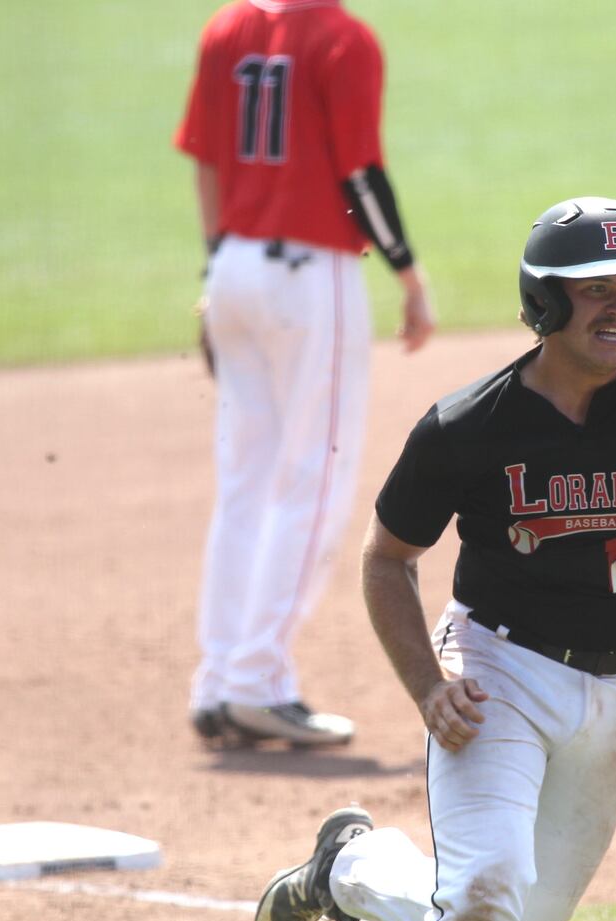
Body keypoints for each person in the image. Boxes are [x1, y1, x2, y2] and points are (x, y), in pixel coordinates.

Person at [250, 196, 616, 921]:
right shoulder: (469, 427)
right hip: (498, 677)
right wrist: (429, 685)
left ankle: (350, 869)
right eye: (597, 289)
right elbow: (387, 558)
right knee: (483, 896)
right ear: (546, 301)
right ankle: (374, 878)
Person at [173, 0, 436, 746]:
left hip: (234, 267)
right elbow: (359, 172)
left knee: (246, 481)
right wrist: (409, 278)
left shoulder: (228, 27)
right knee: (314, 481)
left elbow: (206, 158)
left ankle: (220, 678)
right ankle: (257, 681)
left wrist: (216, 266)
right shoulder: (342, 38)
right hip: (309, 278)